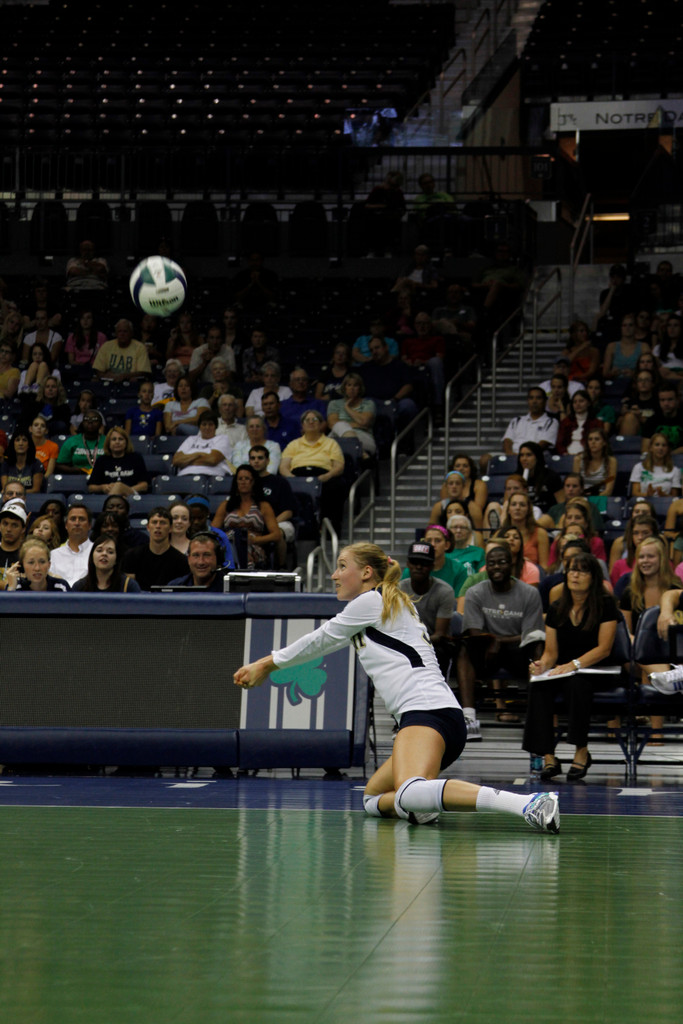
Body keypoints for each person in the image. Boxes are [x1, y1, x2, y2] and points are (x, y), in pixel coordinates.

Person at [235, 542, 560, 833]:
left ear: (366, 572)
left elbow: (319, 640)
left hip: (427, 712)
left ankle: (528, 803)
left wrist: (265, 663)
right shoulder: (386, 603)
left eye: (342, 566)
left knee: (408, 791)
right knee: (374, 797)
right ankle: (422, 808)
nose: (334, 574)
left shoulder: (371, 602)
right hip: (436, 714)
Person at [526, 553, 619, 782]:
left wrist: (573, 665)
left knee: (577, 684)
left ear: (593, 577)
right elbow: (551, 653)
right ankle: (549, 756)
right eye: (571, 570)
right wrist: (541, 666)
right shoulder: (557, 607)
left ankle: (581, 751)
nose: (575, 575)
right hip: (566, 669)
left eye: (582, 570)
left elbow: (605, 649)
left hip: (600, 670)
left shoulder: (605, 604)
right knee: (539, 687)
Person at [458, 539, 545, 737]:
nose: (497, 567)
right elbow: (473, 633)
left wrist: (496, 640)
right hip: (487, 653)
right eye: (492, 563)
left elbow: (530, 634)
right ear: (485, 567)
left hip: (518, 652)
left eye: (502, 562)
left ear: (512, 565)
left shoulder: (529, 593)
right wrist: (492, 641)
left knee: (537, 646)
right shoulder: (475, 592)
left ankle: (536, 717)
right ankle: (469, 718)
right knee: (464, 649)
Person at [619, 535, 681, 744]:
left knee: (653, 663)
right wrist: (639, 643)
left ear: (661, 559)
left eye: (651, 557)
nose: (645, 561)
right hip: (635, 655)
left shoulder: (674, 586)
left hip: (669, 653)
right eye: (641, 557)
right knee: (646, 656)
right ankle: (656, 731)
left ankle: (666, 682)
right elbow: (624, 631)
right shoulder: (630, 591)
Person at [279, 410, 349, 536]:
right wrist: (293, 479)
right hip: (297, 476)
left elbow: (339, 466)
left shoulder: (331, 443)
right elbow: (283, 466)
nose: (311, 422)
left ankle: (329, 528)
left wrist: (326, 476)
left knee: (337, 485)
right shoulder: (294, 444)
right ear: (302, 425)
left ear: (321, 424)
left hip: (323, 477)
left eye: (315, 419)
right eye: (307, 420)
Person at [398, 540, 455, 680]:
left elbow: (439, 634)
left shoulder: (445, 591)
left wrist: (416, 645)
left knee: (440, 650)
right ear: (408, 564)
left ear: (432, 566)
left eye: (423, 563)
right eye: (415, 562)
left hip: (435, 645)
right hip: (406, 643)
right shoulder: (397, 590)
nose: (418, 567)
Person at [213, 464, 279, 570]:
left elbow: (276, 535)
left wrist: (256, 540)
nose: (243, 481)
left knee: (245, 549)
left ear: (253, 482)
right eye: (240, 479)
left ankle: (242, 574)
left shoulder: (263, 506)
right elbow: (213, 531)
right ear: (236, 483)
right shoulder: (226, 505)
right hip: (229, 545)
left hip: (254, 547)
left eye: (247, 478)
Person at [247, 444, 296, 568]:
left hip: (279, 521)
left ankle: (281, 568)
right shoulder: (244, 482)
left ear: (268, 460)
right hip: (251, 521)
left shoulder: (280, 482)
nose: (256, 461)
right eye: (253, 458)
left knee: (278, 533)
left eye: (260, 458)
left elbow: (288, 511)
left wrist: (270, 523)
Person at [121, 507, 189, 591]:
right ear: (148, 527)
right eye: (154, 522)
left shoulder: (181, 561)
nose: (158, 526)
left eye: (163, 523)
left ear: (170, 528)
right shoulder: (132, 556)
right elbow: (130, 589)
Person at [402, 524, 467, 596]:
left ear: (447, 545)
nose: (432, 544)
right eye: (429, 540)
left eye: (437, 541)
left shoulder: (459, 570)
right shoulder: (411, 570)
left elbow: (460, 601)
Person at [172, 410, 235, 478]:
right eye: (204, 424)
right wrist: (198, 454)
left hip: (210, 476)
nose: (207, 428)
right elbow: (176, 460)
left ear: (215, 426)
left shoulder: (222, 439)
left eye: (210, 424)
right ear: (199, 426)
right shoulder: (191, 439)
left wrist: (186, 462)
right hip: (185, 476)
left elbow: (212, 460)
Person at [327, 373, 377, 456]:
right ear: (344, 387)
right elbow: (332, 424)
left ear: (360, 388)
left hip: (363, 437)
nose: (352, 388)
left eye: (355, 385)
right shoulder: (334, 403)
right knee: (338, 427)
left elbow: (364, 422)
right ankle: (361, 451)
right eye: (349, 385)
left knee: (339, 426)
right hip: (338, 436)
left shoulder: (368, 403)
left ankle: (357, 448)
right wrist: (357, 425)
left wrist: (347, 408)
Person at [71, 534, 141, 593]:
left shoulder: (129, 586)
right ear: (92, 556)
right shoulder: (79, 587)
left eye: (110, 552)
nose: (104, 554)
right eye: (99, 550)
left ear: (116, 559)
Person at [501, 386, 559, 455]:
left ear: (545, 401)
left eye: (538, 398)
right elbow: (507, 440)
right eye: (531, 398)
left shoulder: (551, 422)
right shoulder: (516, 420)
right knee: (485, 459)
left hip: (535, 457)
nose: (534, 401)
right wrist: (510, 454)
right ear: (528, 401)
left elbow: (543, 444)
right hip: (512, 455)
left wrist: (522, 456)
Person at [500, 490, 550, 570]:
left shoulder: (540, 533)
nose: (517, 508)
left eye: (522, 505)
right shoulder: (499, 534)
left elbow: (544, 567)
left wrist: (528, 566)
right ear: (508, 510)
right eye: (514, 504)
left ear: (528, 510)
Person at [3, 537, 70, 592]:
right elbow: (6, 608)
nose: (37, 568)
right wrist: (11, 588)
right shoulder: (15, 587)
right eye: (31, 562)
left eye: (42, 562)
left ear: (49, 564)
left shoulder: (61, 587)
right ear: (22, 566)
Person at [49, 503, 94, 586]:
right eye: (73, 519)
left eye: (81, 519)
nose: (77, 523)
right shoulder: (54, 555)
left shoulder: (97, 552)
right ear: (66, 525)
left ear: (90, 525)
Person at [516, 442, 563, 514]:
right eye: (522, 455)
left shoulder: (551, 476)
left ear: (537, 457)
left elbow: (561, 504)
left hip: (547, 517)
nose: (524, 459)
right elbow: (507, 502)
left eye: (529, 455)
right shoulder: (515, 478)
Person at [630, 432, 682, 497]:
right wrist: (648, 495)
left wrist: (663, 495)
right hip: (644, 502)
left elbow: (674, 497)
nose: (660, 448)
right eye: (657, 445)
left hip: (665, 504)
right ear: (650, 448)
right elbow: (634, 493)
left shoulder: (675, 470)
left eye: (664, 445)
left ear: (667, 449)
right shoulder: (639, 467)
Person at [602, 313, 650, 380]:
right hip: (616, 383)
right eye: (624, 325)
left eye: (631, 325)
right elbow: (605, 373)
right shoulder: (612, 346)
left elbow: (649, 370)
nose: (627, 328)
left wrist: (634, 374)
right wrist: (612, 373)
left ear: (635, 327)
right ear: (621, 328)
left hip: (637, 383)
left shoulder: (644, 346)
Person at [555, 389, 602, 456]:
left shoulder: (597, 423)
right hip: (566, 457)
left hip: (588, 456)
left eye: (581, 401)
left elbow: (599, 443)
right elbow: (559, 443)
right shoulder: (565, 422)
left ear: (588, 403)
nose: (578, 404)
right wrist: (564, 453)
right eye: (575, 402)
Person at [641, 383, 683, 454]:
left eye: (670, 399)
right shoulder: (652, 421)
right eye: (662, 400)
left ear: (677, 400)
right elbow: (645, 449)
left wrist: (669, 455)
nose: (666, 403)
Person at [0, 499, 28, 590]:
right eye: (5, 523)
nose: (8, 529)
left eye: (14, 525)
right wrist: (6, 585)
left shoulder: (28, 555)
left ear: (23, 529)